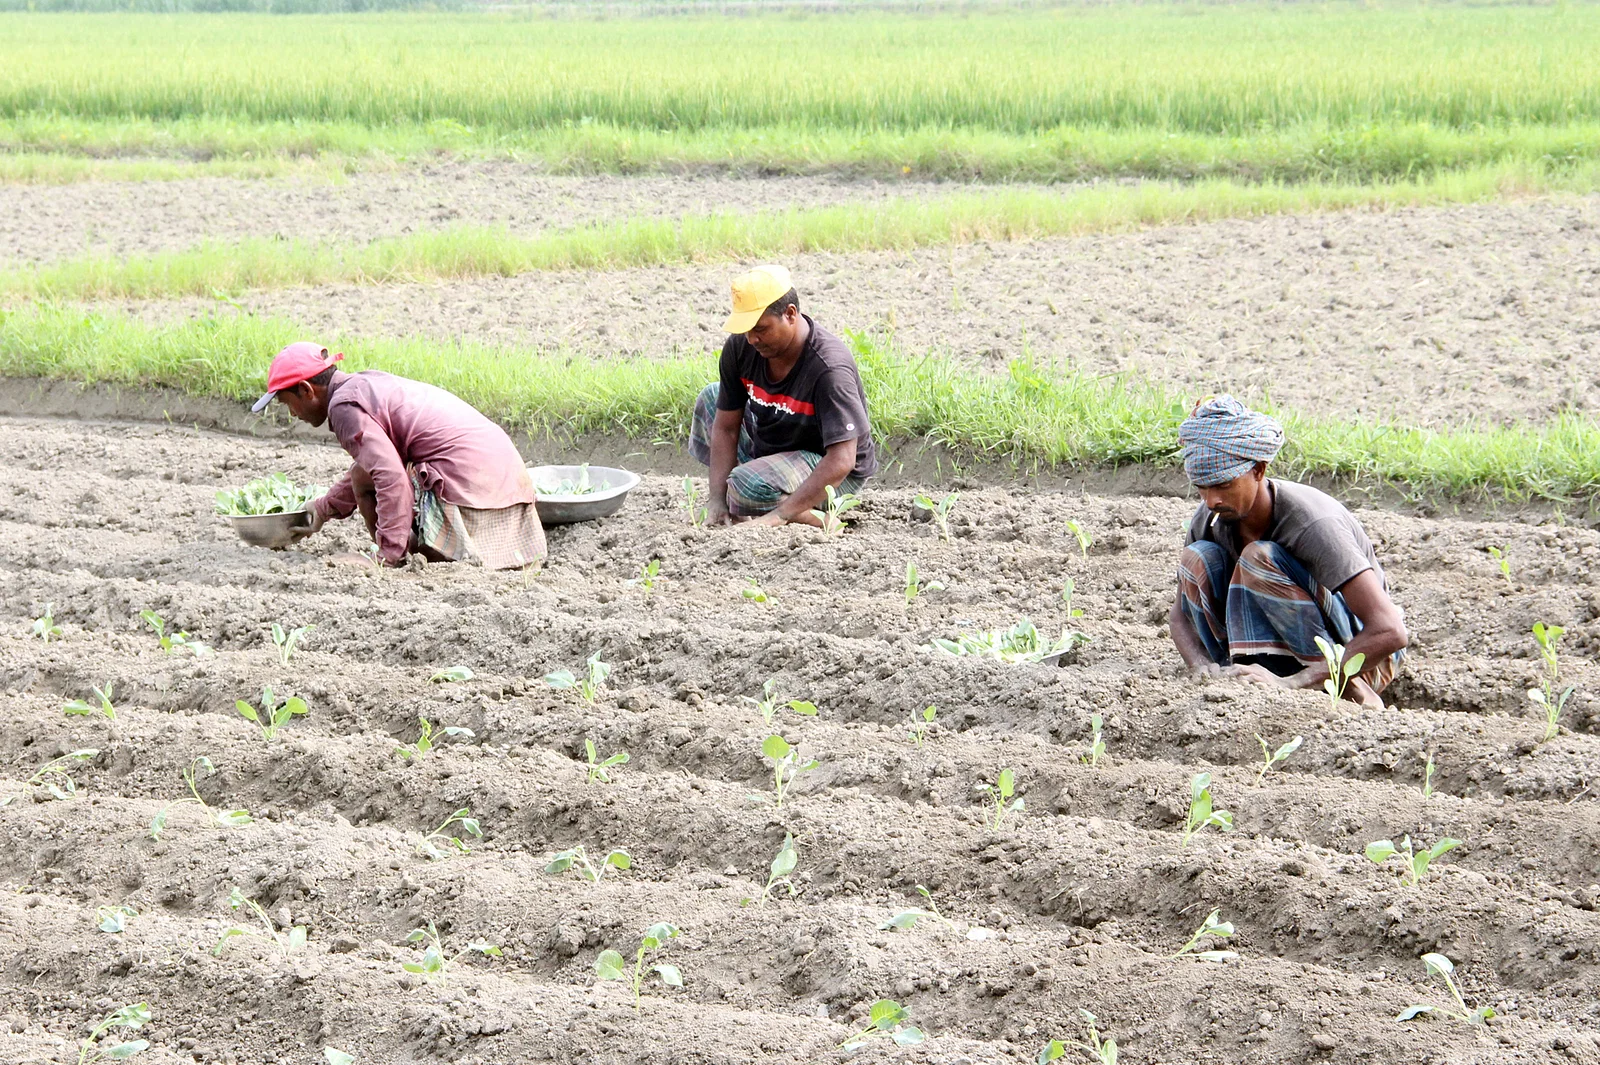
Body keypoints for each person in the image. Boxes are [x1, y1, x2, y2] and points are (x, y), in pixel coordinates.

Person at [1167, 395, 1407, 708]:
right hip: (1268, 653)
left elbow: (1389, 632)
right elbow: (1178, 617)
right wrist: (1201, 667)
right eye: (1202, 486)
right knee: (1196, 559)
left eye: (1224, 485)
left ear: (1258, 470)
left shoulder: (1314, 523)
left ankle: (1354, 692)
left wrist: (1292, 682)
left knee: (1258, 558)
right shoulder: (1211, 517)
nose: (1212, 499)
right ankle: (1246, 679)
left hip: (1362, 653)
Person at [251, 342, 545, 570]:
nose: (291, 413)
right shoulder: (365, 384)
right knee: (362, 474)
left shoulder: (343, 406)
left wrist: (387, 555)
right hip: (505, 480)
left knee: (371, 478)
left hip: (477, 488)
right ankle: (406, 548)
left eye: (285, 403)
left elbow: (389, 476)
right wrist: (323, 509)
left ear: (305, 390)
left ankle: (396, 557)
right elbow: (370, 467)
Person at [688, 264, 878, 527]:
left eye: (761, 328)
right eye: (746, 329)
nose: (752, 338)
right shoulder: (741, 348)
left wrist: (779, 516)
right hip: (776, 449)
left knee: (745, 485)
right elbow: (726, 429)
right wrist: (718, 500)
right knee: (711, 398)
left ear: (790, 314)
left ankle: (814, 516)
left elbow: (842, 459)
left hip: (831, 469)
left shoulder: (828, 368)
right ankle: (752, 499)